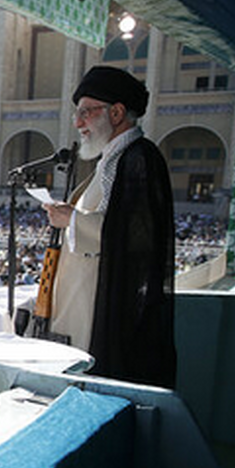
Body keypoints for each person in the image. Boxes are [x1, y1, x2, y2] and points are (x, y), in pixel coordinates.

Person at [43, 65, 176, 388]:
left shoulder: (139, 158)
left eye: (86, 112)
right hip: (85, 299)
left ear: (116, 112)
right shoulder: (114, 158)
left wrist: (71, 219)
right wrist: (73, 214)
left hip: (105, 309)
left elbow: (134, 236)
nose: (78, 123)